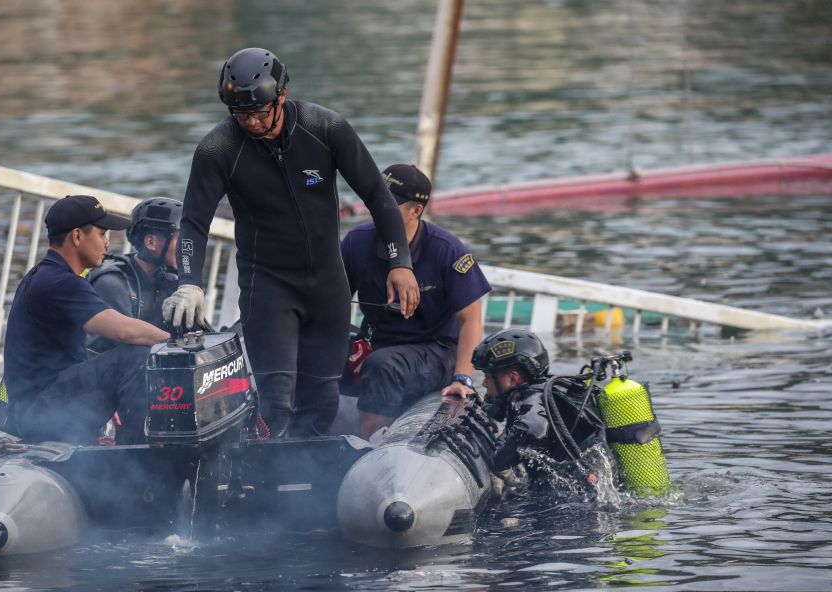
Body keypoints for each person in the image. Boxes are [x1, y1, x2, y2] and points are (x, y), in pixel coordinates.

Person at [163, 47, 420, 437]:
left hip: (326, 284)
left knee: (322, 399)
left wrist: (400, 262)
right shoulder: (218, 150)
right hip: (267, 285)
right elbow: (194, 222)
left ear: (281, 96)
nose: (250, 122)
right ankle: (264, 488)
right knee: (277, 401)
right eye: (240, 113)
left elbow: (378, 196)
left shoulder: (326, 128)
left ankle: (304, 492)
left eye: (259, 112)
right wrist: (188, 282)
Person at [2, 195, 171, 445]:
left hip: (35, 404)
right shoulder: (60, 282)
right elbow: (125, 331)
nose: (107, 243)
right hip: (39, 411)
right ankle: (138, 454)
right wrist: (179, 342)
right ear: (77, 236)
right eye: (102, 234)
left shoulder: (45, 274)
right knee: (135, 356)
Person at [341, 164, 491, 439]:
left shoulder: (447, 250)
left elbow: (471, 320)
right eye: (376, 202)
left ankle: (368, 448)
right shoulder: (355, 241)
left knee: (382, 365)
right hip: (376, 340)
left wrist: (462, 377)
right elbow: (334, 302)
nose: (380, 211)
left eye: (390, 205)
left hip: (436, 349)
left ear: (416, 210)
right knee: (317, 351)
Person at [471, 328, 617, 493]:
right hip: (593, 483)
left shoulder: (530, 397)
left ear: (513, 378)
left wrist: (497, 463)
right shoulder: (548, 390)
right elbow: (514, 431)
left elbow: (532, 430)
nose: (484, 384)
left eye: (488, 376)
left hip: (576, 495)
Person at [86, 196, 182, 353]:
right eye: (182, 239)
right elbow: (125, 345)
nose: (188, 248)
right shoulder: (112, 283)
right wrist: (180, 344)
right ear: (151, 242)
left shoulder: (170, 280)